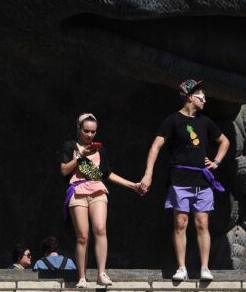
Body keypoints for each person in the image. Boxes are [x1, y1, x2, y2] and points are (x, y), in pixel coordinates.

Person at [139, 79, 231, 282]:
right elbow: (155, 147)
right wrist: (148, 173)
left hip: (202, 180)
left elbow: (224, 141)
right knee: (180, 223)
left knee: (202, 223)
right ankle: (181, 267)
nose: (204, 100)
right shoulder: (172, 120)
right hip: (180, 180)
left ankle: (205, 267)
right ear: (190, 97)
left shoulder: (205, 122)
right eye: (201, 96)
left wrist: (216, 161)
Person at [60, 112, 143, 288]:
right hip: (78, 190)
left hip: (97, 189)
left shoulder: (100, 150)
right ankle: (82, 277)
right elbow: (64, 170)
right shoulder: (70, 146)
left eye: (93, 131)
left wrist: (132, 185)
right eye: (86, 131)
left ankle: (101, 273)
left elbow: (107, 174)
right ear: (79, 129)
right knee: (83, 235)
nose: (89, 135)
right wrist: (82, 155)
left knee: (100, 228)